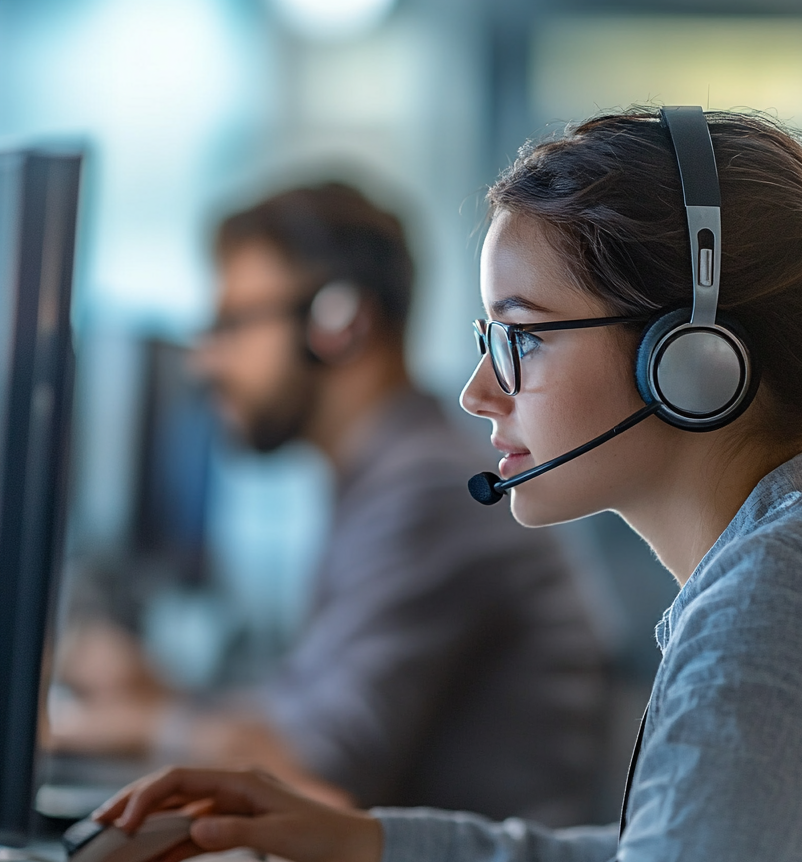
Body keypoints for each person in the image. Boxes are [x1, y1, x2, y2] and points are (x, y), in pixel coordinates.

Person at [94, 108, 802, 862]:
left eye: (524, 335)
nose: (478, 390)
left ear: (691, 360)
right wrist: (371, 845)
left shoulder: (790, 597)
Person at [51, 182, 609, 828]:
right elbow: (302, 715)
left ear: (340, 323)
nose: (204, 363)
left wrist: (122, 723)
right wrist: (164, 699)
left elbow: (313, 766)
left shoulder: (430, 492)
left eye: (231, 324)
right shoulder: (385, 480)